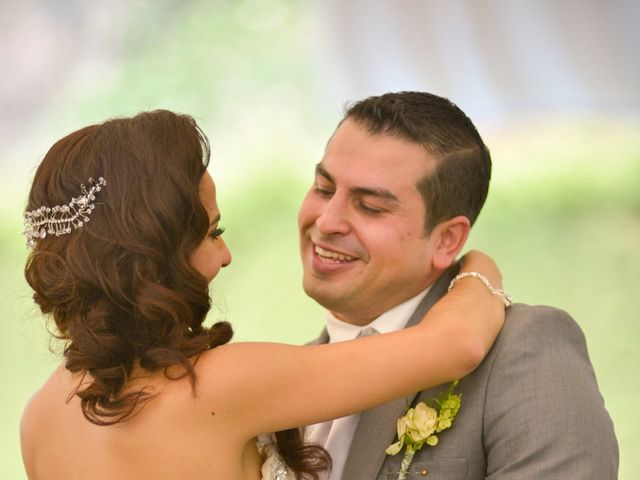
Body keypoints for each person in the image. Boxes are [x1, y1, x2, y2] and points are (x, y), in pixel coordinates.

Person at [19, 110, 507, 480]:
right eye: (214, 232)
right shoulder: (222, 385)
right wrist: (475, 264)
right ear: (158, 255)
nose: (226, 255)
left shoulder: (39, 417)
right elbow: (457, 343)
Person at [300, 91, 619, 479]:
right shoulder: (273, 383)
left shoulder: (523, 349)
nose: (328, 220)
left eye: (371, 207)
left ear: (447, 240)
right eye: (323, 188)